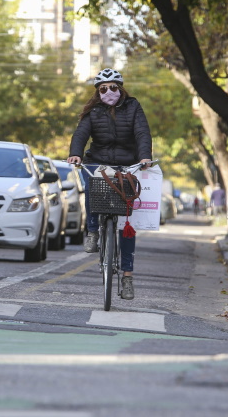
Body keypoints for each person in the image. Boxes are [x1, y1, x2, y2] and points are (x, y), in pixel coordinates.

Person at [67, 68, 152, 301]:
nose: (108, 92)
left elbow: (142, 132)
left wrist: (144, 157)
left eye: (113, 87)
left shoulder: (133, 106)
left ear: (121, 89)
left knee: (126, 225)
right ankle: (93, 231)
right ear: (98, 92)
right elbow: (81, 133)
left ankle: (127, 277)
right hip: (98, 162)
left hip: (127, 164)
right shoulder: (93, 110)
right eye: (103, 89)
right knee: (91, 188)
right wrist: (75, 153)